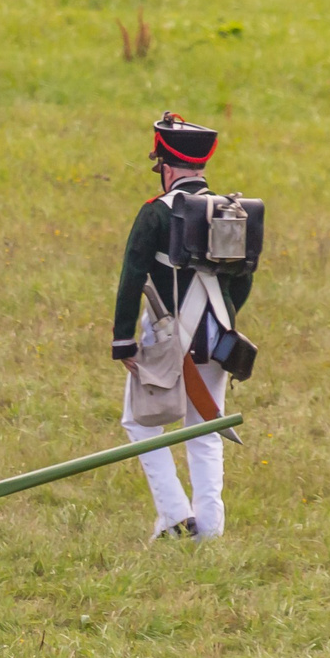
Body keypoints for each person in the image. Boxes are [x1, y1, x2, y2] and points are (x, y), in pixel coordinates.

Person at [112, 111, 254, 541]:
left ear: (167, 168)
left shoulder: (155, 213)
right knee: (207, 429)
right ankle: (209, 529)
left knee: (139, 422)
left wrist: (123, 342)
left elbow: (131, 277)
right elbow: (244, 279)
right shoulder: (232, 212)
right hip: (219, 338)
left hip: (165, 336)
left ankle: (175, 516)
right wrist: (225, 320)